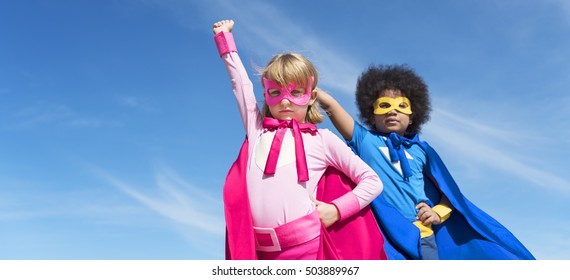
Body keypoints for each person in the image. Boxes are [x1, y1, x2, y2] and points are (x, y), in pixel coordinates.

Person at [317, 64, 535, 260]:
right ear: (371, 114)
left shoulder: (423, 151)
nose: (392, 110)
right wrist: (306, 90)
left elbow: (451, 194)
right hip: (382, 231)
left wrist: (437, 213)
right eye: (383, 105)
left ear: (412, 116)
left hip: (421, 232)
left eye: (402, 106)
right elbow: (333, 107)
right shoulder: (365, 140)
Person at [212, 19, 387, 260]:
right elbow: (239, 84)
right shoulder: (256, 130)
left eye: (295, 92)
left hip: (304, 247)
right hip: (256, 251)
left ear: (311, 96)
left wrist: (336, 210)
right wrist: (225, 40)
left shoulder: (323, 140)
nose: (285, 100)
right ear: (266, 94)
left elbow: (372, 181)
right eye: (276, 92)